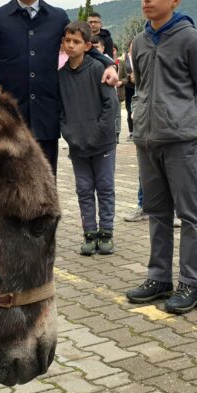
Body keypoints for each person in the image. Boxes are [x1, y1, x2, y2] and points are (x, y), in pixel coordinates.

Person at [124, 0, 197, 315]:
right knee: (157, 213)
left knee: (190, 215)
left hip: (181, 142)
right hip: (147, 141)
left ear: (175, 0)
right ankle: (158, 278)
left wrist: (195, 128)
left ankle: (191, 284)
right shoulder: (139, 41)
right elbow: (140, 87)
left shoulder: (190, 39)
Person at [0, 0, 117, 175]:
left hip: (46, 113)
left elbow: (80, 43)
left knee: (46, 178)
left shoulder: (57, 17)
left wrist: (109, 64)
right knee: (11, 178)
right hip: (12, 115)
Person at [59, 21, 120, 256]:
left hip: (103, 143)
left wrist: (99, 132)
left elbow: (111, 104)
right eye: (67, 41)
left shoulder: (98, 69)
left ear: (87, 45)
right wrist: (69, 133)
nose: (71, 45)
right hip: (78, 145)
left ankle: (106, 233)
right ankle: (89, 233)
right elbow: (61, 111)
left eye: (76, 42)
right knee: (84, 189)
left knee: (105, 187)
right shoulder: (60, 76)